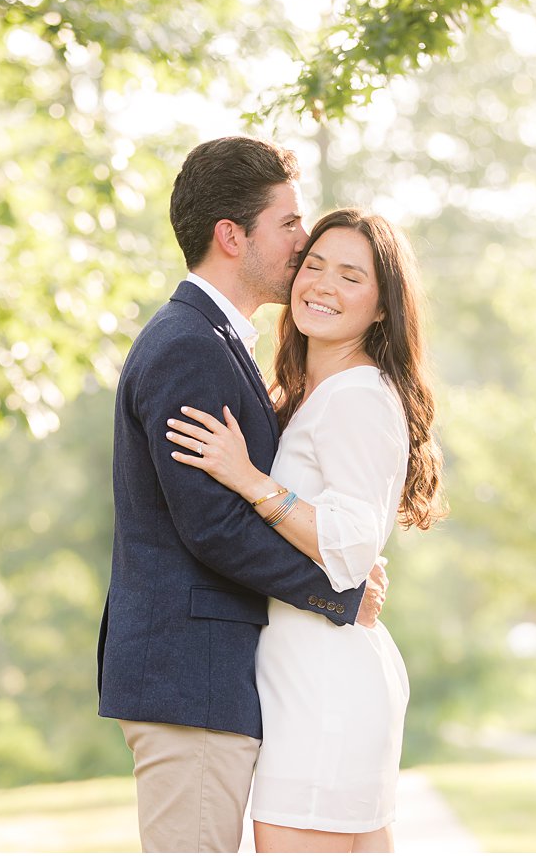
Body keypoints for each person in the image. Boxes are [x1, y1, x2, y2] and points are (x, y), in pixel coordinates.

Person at [97, 136, 388, 854]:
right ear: (232, 235)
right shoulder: (188, 345)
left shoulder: (216, 340)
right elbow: (213, 527)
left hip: (208, 677)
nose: (302, 239)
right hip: (188, 675)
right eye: (289, 223)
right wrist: (339, 592)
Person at [165, 208, 445, 853]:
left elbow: (349, 551)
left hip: (325, 688)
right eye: (314, 265)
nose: (322, 284)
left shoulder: (358, 396)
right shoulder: (307, 394)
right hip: (304, 679)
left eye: (351, 276)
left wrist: (250, 480)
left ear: (382, 308)